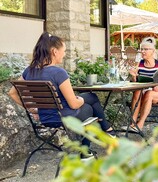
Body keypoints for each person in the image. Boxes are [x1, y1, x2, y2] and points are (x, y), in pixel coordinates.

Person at [7, 32, 115, 160]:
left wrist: (31, 108)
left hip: (45, 118)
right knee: (90, 106)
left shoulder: (29, 71)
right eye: (63, 51)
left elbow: (12, 93)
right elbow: (74, 104)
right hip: (63, 118)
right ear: (54, 51)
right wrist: (79, 99)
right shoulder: (59, 73)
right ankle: (95, 143)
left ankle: (106, 131)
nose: (65, 54)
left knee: (91, 97)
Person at [127, 37, 158, 132]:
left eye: (145, 49)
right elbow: (136, 83)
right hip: (143, 92)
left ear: (153, 51)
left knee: (149, 93)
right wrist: (134, 77)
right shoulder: (140, 64)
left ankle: (140, 125)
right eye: (141, 49)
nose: (142, 51)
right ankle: (132, 124)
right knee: (137, 91)